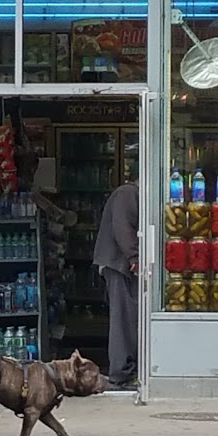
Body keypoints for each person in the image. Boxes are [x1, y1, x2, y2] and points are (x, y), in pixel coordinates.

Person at [93, 148, 140, 389]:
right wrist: (135, 256)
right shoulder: (127, 194)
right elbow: (123, 228)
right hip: (119, 265)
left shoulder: (127, 193)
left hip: (119, 263)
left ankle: (125, 368)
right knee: (123, 317)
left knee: (127, 316)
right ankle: (120, 373)